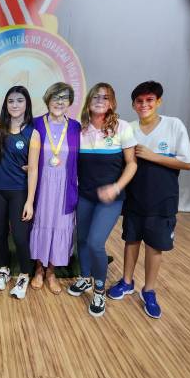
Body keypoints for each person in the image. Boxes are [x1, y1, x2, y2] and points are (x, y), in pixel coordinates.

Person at [107, 81, 190, 319]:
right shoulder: (129, 128)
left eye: (149, 100)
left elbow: (188, 163)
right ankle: (127, 282)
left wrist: (153, 156)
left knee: (155, 246)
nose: (144, 105)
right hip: (135, 197)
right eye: (139, 101)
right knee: (131, 240)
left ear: (158, 102)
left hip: (162, 199)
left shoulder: (174, 125)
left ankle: (149, 290)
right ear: (133, 105)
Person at [67, 83, 137, 317]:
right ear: (88, 101)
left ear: (112, 103)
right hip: (85, 195)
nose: (100, 100)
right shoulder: (79, 129)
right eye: (95, 97)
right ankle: (85, 277)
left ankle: (99, 289)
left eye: (105, 97)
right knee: (82, 239)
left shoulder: (122, 128)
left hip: (111, 199)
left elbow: (132, 164)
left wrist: (116, 187)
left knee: (96, 243)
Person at [29, 82, 81, 294]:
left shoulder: (76, 127)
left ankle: (51, 272)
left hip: (65, 186)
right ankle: (38, 269)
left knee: (60, 226)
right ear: (47, 100)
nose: (59, 102)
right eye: (55, 97)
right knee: (42, 223)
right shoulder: (35, 123)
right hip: (42, 185)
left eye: (64, 98)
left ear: (70, 102)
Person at [0, 86, 39, 299]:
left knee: (19, 236)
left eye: (20, 100)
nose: (15, 105)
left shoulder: (32, 133)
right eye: (11, 101)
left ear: (27, 104)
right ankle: (4, 268)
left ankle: (25, 274)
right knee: (0, 233)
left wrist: (30, 201)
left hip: (19, 192)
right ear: (6, 105)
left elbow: (33, 169)